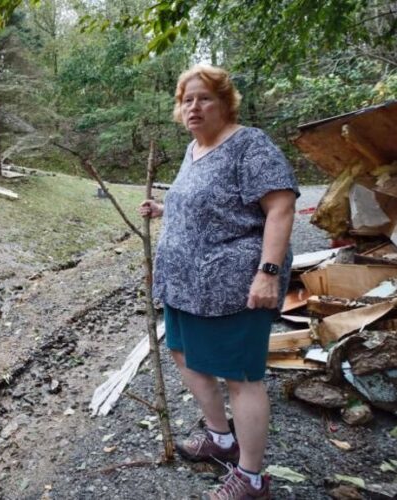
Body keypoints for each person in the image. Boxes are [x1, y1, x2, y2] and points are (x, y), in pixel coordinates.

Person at [139, 64, 298, 500]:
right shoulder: (194, 150)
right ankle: (220, 437)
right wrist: (164, 210)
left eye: (203, 97)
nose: (193, 106)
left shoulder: (250, 145)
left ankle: (250, 478)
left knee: (240, 376)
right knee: (184, 353)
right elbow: (211, 207)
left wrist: (267, 273)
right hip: (185, 284)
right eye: (186, 99)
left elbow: (280, 208)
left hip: (234, 286)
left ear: (225, 103)